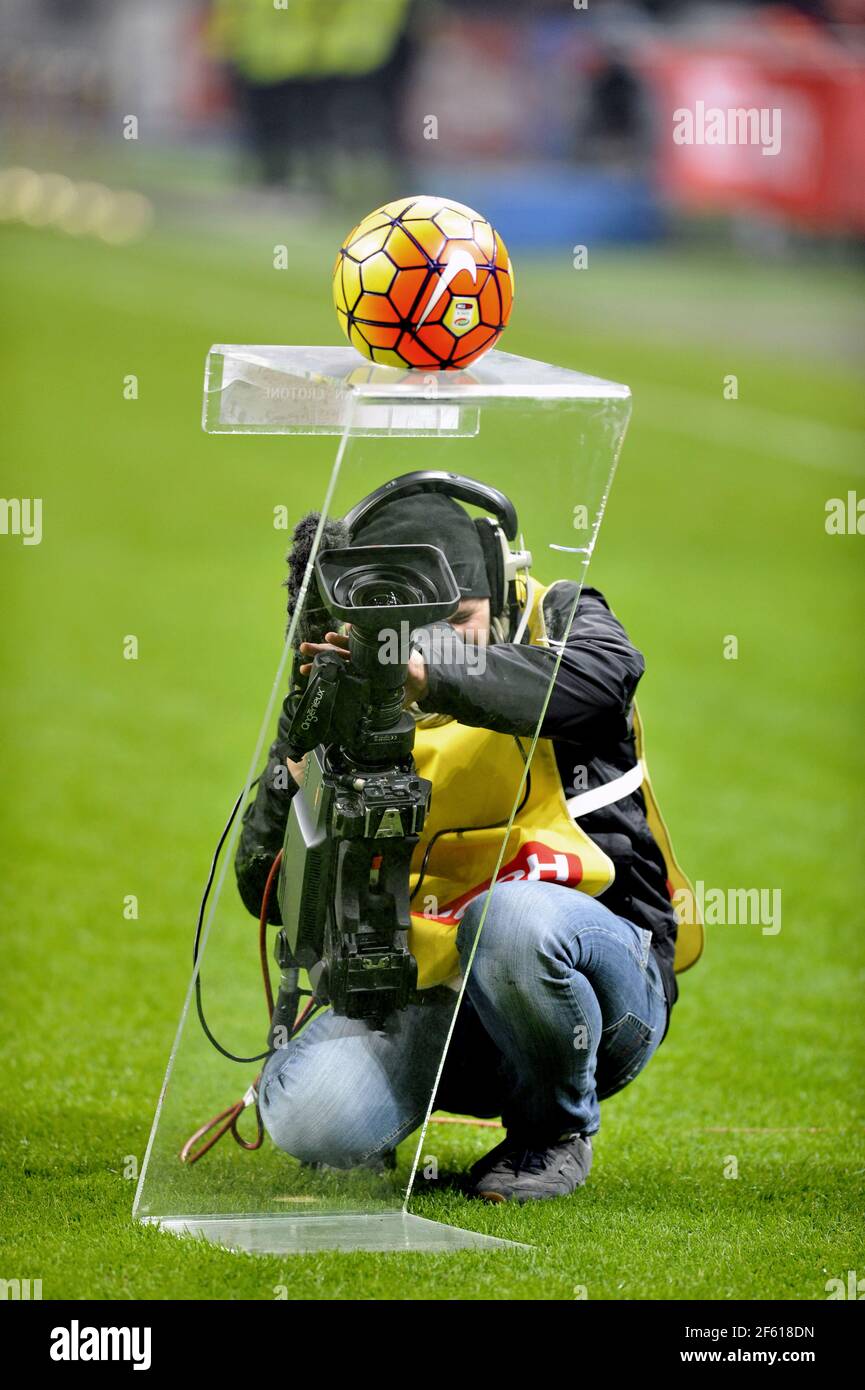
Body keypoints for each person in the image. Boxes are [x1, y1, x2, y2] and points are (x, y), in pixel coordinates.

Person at [235, 478, 698, 1203]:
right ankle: (394, 1110)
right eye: (415, 629)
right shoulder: (350, 678)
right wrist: (293, 772)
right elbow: (262, 892)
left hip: (598, 987)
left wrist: (427, 675)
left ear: (502, 586)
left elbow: (602, 682)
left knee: (510, 918)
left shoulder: (560, 615)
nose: (436, 643)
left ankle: (552, 1134)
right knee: (310, 1116)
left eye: (458, 618)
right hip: (429, 1000)